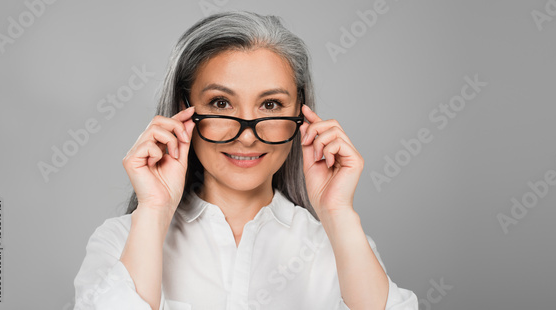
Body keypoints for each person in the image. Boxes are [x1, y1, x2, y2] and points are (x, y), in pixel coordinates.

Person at [72, 11, 417, 309]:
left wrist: (338, 212)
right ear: (183, 111)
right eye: (221, 103)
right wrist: (154, 210)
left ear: (300, 113)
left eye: (270, 105)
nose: (248, 135)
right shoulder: (120, 241)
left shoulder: (339, 246)